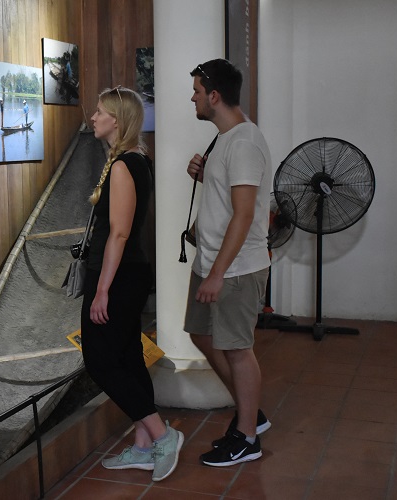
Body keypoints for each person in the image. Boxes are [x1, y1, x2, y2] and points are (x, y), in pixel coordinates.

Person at [81, 86, 183, 482]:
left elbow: (119, 233)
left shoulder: (124, 165)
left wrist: (102, 289)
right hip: (129, 273)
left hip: (118, 276)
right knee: (127, 357)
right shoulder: (137, 159)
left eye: (100, 111)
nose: (93, 117)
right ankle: (143, 446)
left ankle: (161, 436)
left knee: (100, 360)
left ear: (117, 121)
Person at [184, 59, 273, 467]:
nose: (193, 98)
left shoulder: (244, 142)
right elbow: (232, 197)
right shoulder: (226, 138)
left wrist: (218, 274)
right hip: (211, 262)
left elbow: (244, 214)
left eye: (198, 92)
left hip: (235, 269)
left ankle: (248, 437)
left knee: (237, 349)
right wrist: (206, 176)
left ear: (215, 96)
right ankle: (251, 412)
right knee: (201, 334)